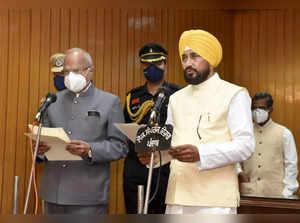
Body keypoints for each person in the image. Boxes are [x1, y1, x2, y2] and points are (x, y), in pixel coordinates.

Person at [138, 29, 255, 214]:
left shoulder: (234, 94)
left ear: (210, 59)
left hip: (215, 200)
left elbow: (246, 146)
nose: (188, 63)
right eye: (184, 58)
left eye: (194, 56)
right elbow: (173, 146)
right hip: (178, 196)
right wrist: (155, 157)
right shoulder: (176, 98)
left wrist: (201, 154)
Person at [35, 48, 128, 214]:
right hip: (52, 194)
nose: (70, 76)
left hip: (88, 196)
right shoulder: (52, 101)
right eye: (66, 72)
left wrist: (90, 149)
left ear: (90, 71)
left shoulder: (109, 102)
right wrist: (40, 150)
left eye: (76, 71)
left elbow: (120, 146)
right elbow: (44, 142)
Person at [123, 43, 181, 214]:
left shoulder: (178, 94)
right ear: (141, 65)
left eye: (157, 63)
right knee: (134, 211)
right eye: (147, 64)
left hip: (166, 165)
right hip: (137, 164)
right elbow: (125, 129)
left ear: (165, 64)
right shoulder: (133, 96)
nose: (152, 68)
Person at [239, 92, 299, 199]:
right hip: (249, 192)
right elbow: (234, 156)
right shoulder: (245, 133)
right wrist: (239, 172)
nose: (257, 111)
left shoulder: (284, 133)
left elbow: (291, 164)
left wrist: (287, 192)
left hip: (277, 193)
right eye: (254, 108)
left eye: (261, 108)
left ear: (270, 109)